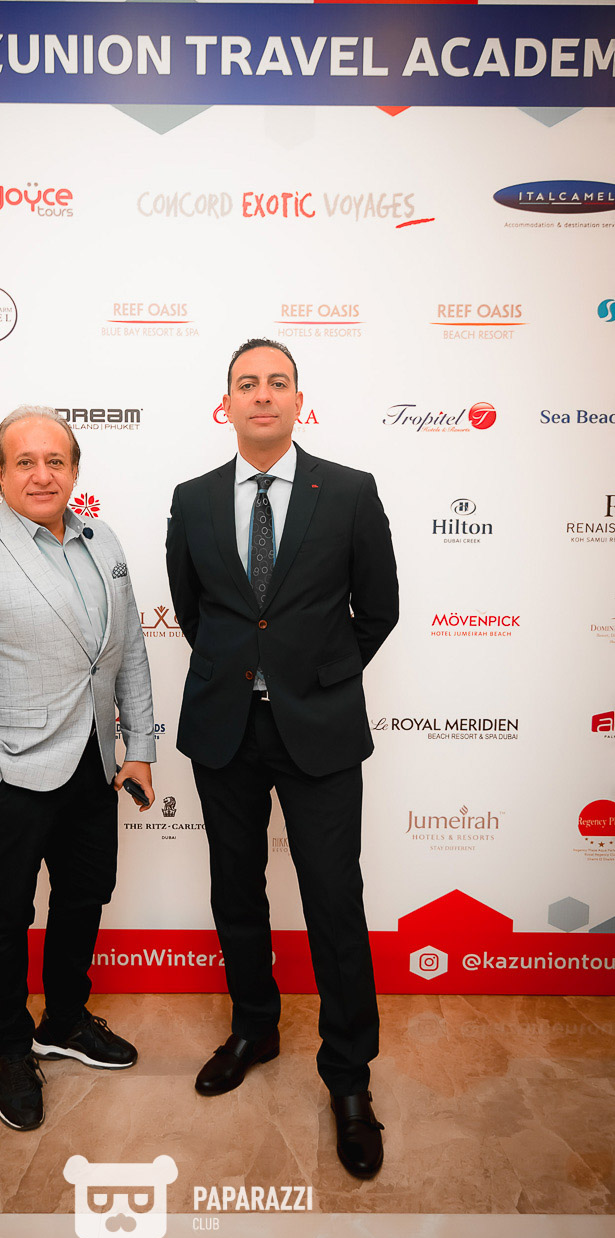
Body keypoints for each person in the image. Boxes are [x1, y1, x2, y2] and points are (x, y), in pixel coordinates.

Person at [165, 341, 397, 1179]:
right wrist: (246, 675)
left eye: (276, 383)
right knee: (236, 889)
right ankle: (253, 1029)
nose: (261, 395)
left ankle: (348, 1077)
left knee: (334, 899)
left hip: (319, 729)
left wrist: (314, 679)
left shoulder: (349, 490)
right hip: (224, 728)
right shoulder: (192, 498)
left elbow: (378, 608)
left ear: (299, 399)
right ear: (225, 403)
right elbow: (195, 613)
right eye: (246, 384)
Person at [0, 405, 155, 1131]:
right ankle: (13, 1046)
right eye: (25, 461)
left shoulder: (103, 540)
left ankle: (65, 1020)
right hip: (13, 773)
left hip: (94, 764)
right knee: (7, 913)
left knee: (85, 896)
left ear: (75, 471)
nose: (41, 474)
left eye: (55, 461)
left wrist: (138, 749)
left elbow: (128, 652)